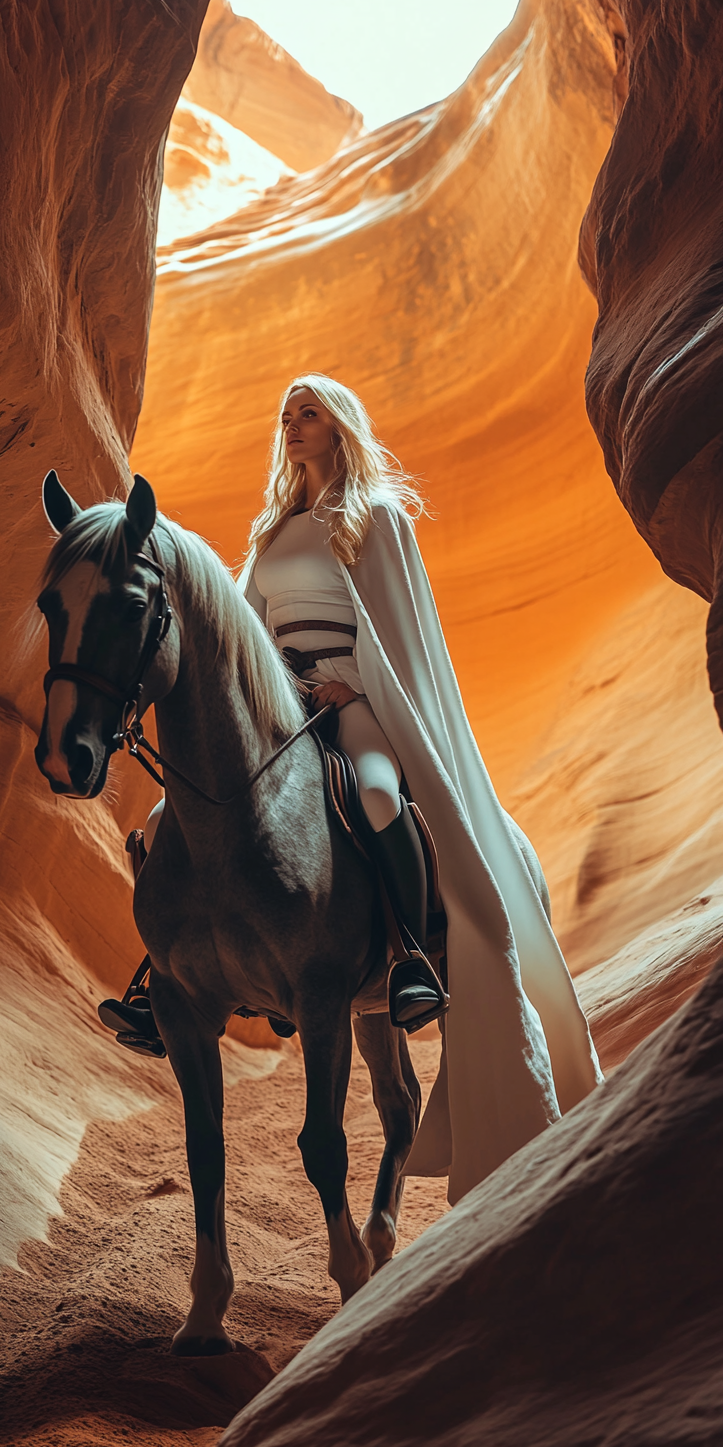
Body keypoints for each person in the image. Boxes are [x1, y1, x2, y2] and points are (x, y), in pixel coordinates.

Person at [237, 373, 602, 1200]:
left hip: (353, 698)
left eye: (310, 414)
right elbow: (245, 624)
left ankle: (407, 958)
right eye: (287, 416)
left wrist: (355, 692)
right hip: (282, 705)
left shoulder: (375, 518)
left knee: (373, 795)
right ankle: (165, 981)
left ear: (339, 428)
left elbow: (399, 639)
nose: (294, 426)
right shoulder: (276, 527)